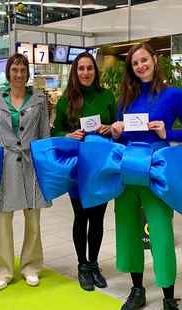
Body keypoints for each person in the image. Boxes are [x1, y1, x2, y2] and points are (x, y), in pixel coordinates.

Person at [110, 43, 182, 310]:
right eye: (135, 63)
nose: (140, 66)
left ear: (154, 59)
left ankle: (168, 296)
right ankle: (136, 289)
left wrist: (168, 134)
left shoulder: (173, 95)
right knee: (127, 230)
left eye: (144, 60)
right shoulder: (125, 98)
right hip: (127, 171)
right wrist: (116, 131)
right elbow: (122, 134)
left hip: (157, 170)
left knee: (161, 232)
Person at [52, 52, 116, 291]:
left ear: (95, 71)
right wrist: (66, 135)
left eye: (90, 68)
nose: (86, 72)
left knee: (98, 217)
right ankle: (82, 265)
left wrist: (110, 128)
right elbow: (55, 131)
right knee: (81, 217)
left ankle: (94, 263)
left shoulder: (107, 96)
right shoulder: (66, 99)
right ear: (75, 72)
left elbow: (118, 127)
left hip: (101, 166)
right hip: (78, 168)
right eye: (81, 69)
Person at [0, 53, 51, 290]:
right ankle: (3, 270)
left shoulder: (39, 100)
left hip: (31, 164)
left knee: (33, 218)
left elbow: (44, 135)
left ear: (27, 73)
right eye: (14, 69)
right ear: (8, 73)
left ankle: (31, 266)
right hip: (5, 165)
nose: (19, 74)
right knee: (2, 218)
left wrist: (45, 164)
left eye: (23, 70)